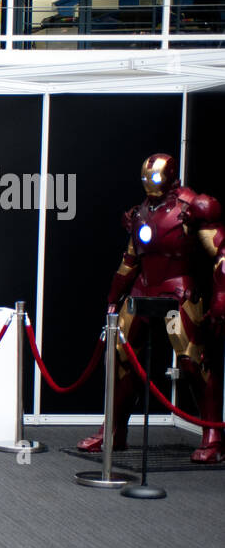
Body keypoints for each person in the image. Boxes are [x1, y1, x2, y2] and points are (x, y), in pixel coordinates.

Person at [76, 153, 224, 463]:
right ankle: (114, 430)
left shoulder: (194, 206)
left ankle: (213, 437)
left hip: (177, 291)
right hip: (143, 288)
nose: (149, 184)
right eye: (145, 179)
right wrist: (114, 295)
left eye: (154, 178)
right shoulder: (142, 211)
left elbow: (221, 252)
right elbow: (131, 258)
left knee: (192, 360)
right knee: (120, 356)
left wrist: (220, 297)